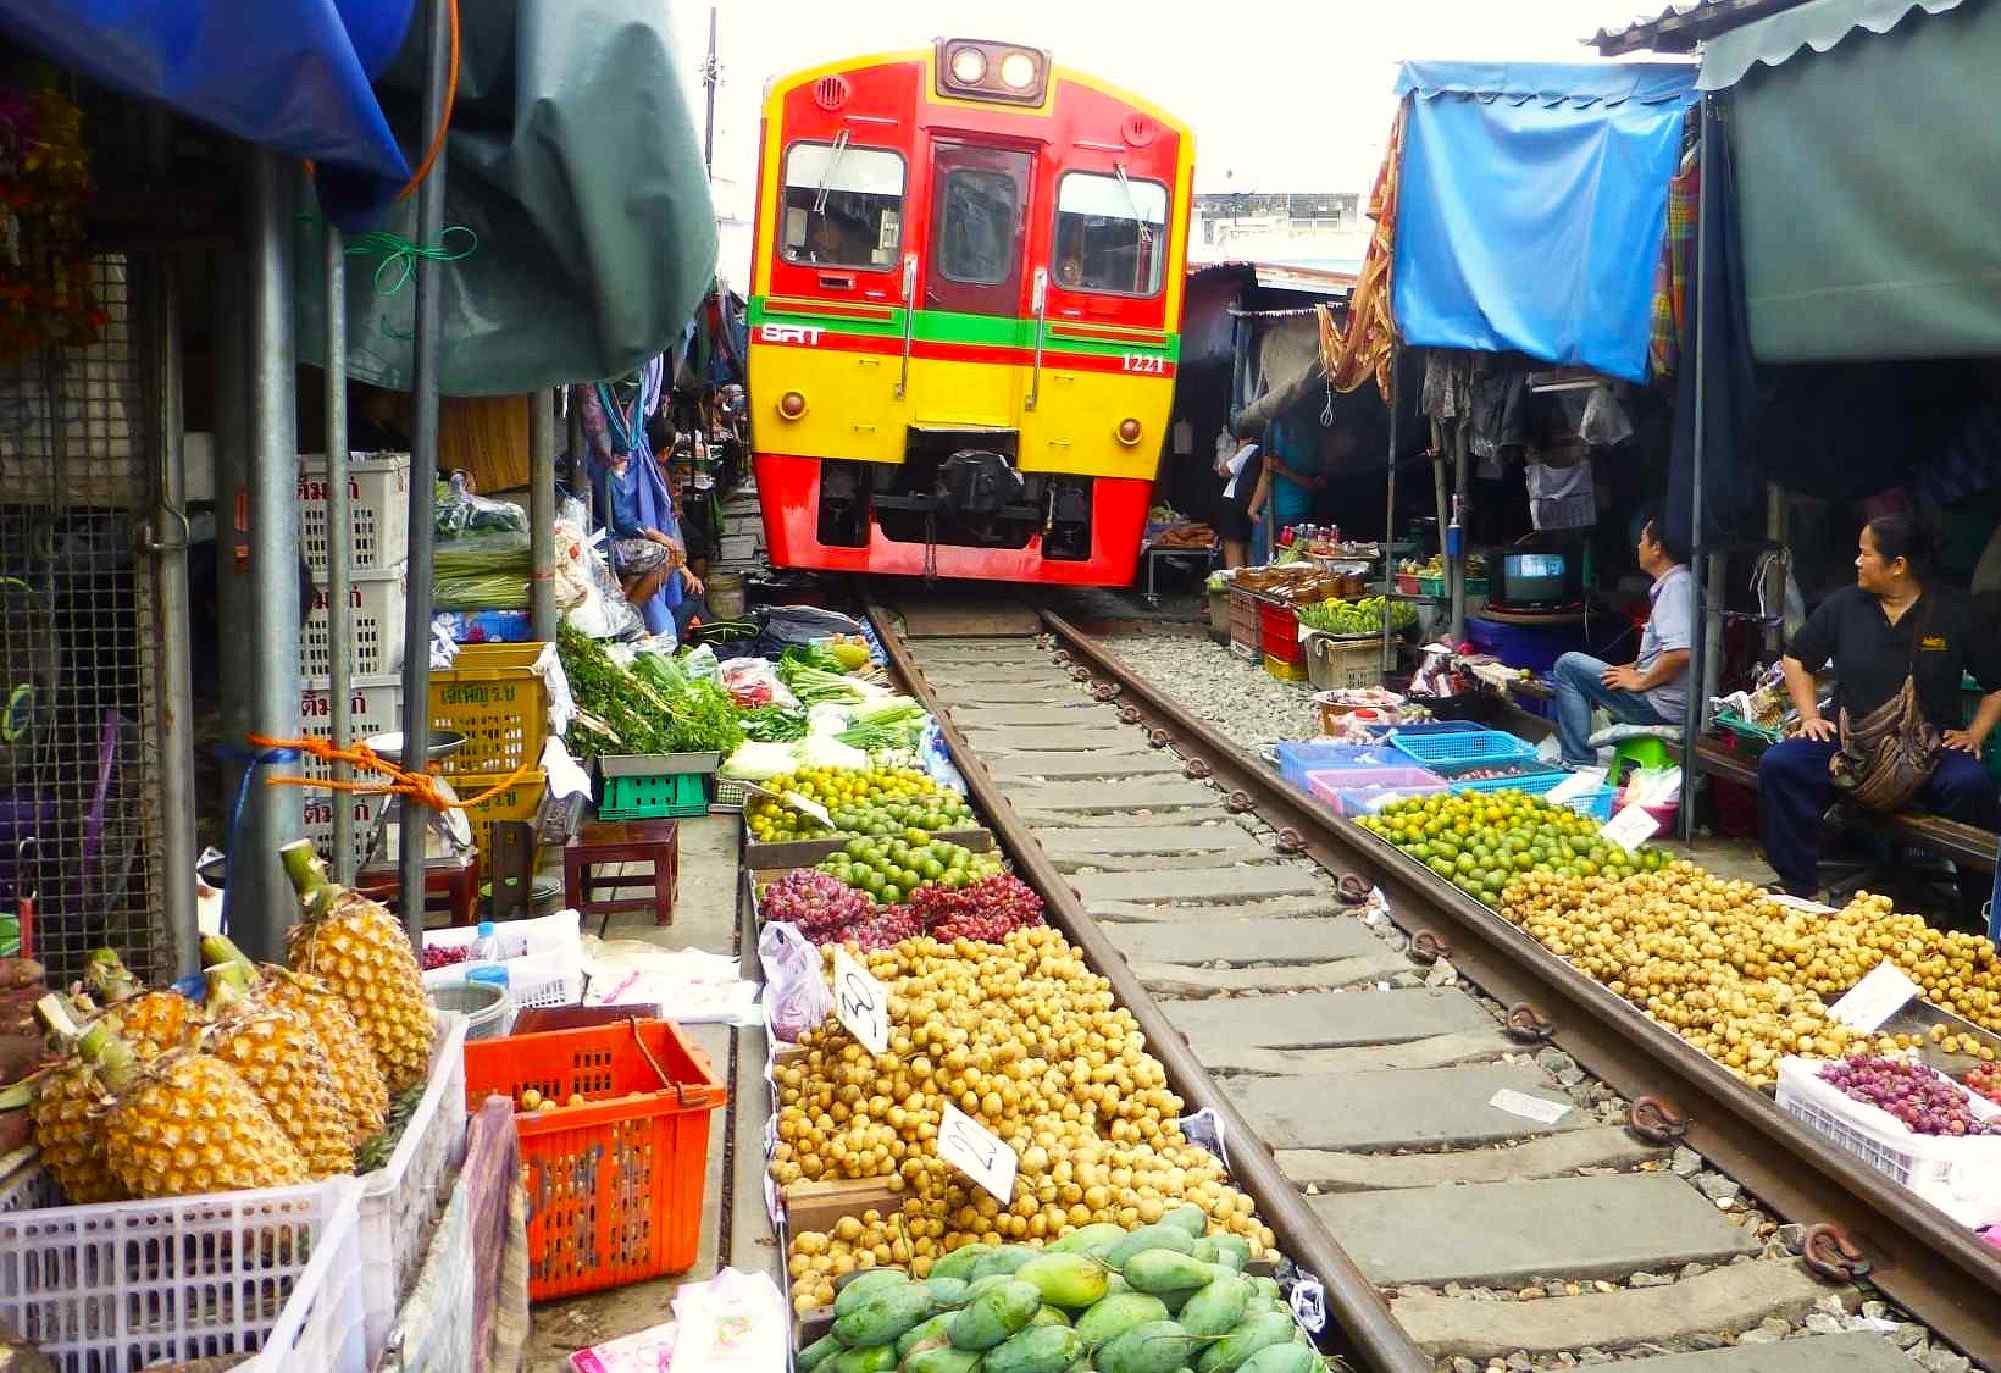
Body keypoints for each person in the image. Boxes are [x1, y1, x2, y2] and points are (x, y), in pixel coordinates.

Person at [1759, 514, 2001, 900]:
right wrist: (1810, 716)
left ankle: (1978, 906)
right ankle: (1797, 884)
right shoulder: (1845, 606)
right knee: (1781, 765)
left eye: (1866, 553)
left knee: (1972, 786)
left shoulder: (1954, 612)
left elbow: (1996, 686)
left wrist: (1975, 733)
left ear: (1898, 565)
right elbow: (1797, 659)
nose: (1857, 561)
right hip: (1849, 743)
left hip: (1929, 748)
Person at [1550, 513, 1693, 767]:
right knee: (1598, 670)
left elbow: (1681, 653)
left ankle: (1577, 763)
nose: (1638, 546)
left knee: (1567, 665)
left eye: (1642, 540)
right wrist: (1632, 669)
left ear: (1657, 548)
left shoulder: (1677, 586)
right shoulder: (1678, 584)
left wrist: (1641, 681)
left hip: (1661, 708)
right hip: (1667, 701)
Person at [1212, 430, 1262, 570]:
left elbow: (1224, 470)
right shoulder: (1263, 451)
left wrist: (1239, 450)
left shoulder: (1250, 448)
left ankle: (1234, 582)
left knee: (1233, 552)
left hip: (1234, 502)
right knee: (1249, 551)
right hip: (1251, 502)